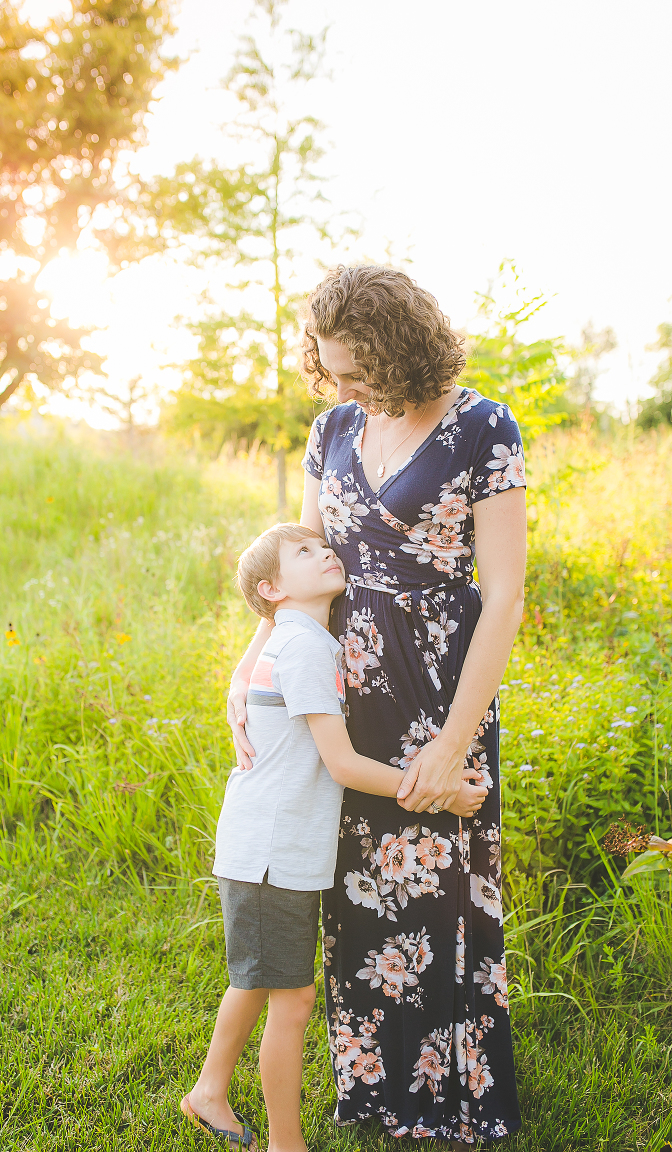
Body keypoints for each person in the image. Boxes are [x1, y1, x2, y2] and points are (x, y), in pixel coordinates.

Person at [227, 266, 527, 1147]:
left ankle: (448, 1091)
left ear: (400, 346)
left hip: (440, 690)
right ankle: (373, 1086)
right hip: (346, 698)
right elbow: (301, 558)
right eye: (329, 369)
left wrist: (453, 742)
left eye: (355, 369)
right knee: (357, 895)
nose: (342, 386)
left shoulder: (483, 428)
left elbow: (503, 596)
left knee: (440, 887)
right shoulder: (334, 429)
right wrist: (249, 665)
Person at [182, 522, 487, 1152]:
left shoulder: (302, 639)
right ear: (271, 589)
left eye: (324, 547)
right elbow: (343, 765)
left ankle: (210, 1089)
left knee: (258, 977)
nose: (325, 553)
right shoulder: (305, 649)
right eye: (304, 553)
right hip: (272, 853)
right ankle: (284, 1143)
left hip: (266, 847)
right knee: (290, 1001)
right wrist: (443, 790)